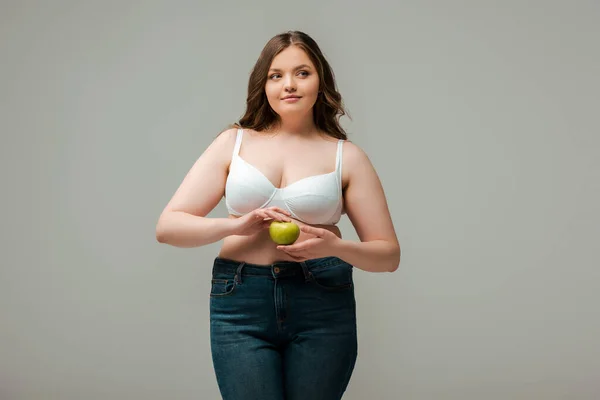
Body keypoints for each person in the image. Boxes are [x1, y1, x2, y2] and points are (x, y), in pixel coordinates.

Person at [156, 30, 400, 400]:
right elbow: (168, 227)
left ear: (321, 81)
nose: (289, 84)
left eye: (302, 72)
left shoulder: (346, 156)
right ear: (264, 84)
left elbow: (388, 256)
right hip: (241, 300)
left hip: (320, 299)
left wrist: (335, 247)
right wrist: (237, 225)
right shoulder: (233, 143)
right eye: (276, 75)